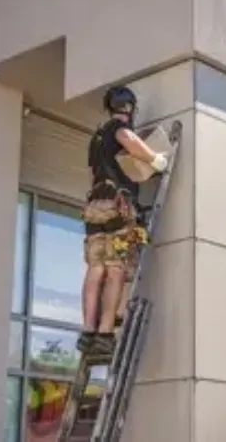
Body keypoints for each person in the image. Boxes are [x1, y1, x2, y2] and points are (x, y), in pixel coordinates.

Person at [79, 85, 168, 354]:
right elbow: (128, 139)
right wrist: (155, 159)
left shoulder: (96, 137)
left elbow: (92, 173)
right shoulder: (117, 129)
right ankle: (105, 332)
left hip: (94, 207)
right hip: (118, 207)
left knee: (96, 269)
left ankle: (88, 330)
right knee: (116, 268)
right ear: (129, 107)